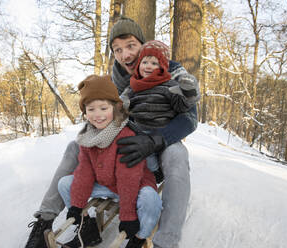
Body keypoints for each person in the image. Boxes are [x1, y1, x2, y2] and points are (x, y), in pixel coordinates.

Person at [25, 16, 199, 248]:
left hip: (162, 139)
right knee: (76, 145)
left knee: (177, 156)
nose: (125, 55)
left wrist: (156, 140)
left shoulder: (169, 67)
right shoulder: (117, 77)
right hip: (126, 140)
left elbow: (190, 118)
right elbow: (107, 114)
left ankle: (166, 241)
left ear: (143, 45)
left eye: (131, 46)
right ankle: (47, 220)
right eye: (117, 50)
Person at [57, 74, 162, 248]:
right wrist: (76, 205)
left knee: (151, 199)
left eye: (103, 108)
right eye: (91, 109)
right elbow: (84, 172)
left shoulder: (125, 134)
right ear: (85, 112)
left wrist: (128, 215)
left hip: (134, 185)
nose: (97, 115)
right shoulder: (87, 137)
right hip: (107, 184)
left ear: (115, 107)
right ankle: (87, 228)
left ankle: (139, 237)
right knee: (65, 183)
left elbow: (128, 177)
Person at [120, 39, 200, 180]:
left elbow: (181, 105)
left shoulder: (168, 85)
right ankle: (125, 175)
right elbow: (122, 101)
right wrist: (121, 104)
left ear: (162, 66)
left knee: (150, 154)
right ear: (139, 65)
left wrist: (188, 94)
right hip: (138, 128)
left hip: (159, 129)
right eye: (144, 62)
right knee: (127, 143)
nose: (148, 66)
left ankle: (155, 173)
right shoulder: (134, 86)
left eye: (154, 63)